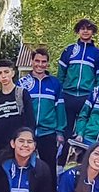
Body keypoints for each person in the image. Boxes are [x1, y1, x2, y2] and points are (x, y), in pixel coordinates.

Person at [18, 47, 67, 175]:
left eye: (43, 61)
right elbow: (18, 108)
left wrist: (60, 132)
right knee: (26, 168)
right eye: (37, 61)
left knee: (49, 169)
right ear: (32, 61)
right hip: (27, 133)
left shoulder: (55, 83)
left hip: (48, 132)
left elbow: (60, 109)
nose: (40, 64)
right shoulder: (22, 83)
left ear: (47, 63)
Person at [56, 19, 99, 140]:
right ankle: (64, 157)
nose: (85, 31)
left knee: (83, 132)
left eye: (88, 29)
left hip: (86, 96)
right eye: (82, 28)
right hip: (68, 94)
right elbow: (61, 74)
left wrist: (95, 95)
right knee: (66, 132)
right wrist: (60, 91)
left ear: (93, 32)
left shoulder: (98, 53)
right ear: (78, 31)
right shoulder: (69, 50)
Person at [0, 59, 35, 157]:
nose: (3, 75)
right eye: (0, 73)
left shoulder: (22, 94)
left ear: (12, 73)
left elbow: (30, 120)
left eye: (6, 72)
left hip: (18, 146)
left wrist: (28, 141)